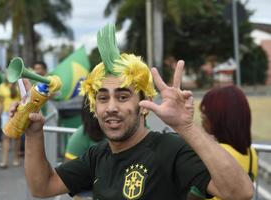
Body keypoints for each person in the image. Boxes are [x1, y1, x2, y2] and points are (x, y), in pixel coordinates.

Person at [13, 24, 253, 199]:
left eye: (123, 96)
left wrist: (187, 127)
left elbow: (240, 192)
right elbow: (41, 187)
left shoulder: (170, 149)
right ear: (94, 107)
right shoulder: (97, 156)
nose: (111, 108)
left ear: (145, 103)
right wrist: (34, 133)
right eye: (103, 98)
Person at [190, 85, 257, 200]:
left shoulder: (214, 155)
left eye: (206, 111)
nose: (202, 116)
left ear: (219, 117)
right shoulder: (251, 152)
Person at [65, 96, 105, 160]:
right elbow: (68, 168)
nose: (112, 108)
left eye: (122, 97)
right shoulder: (80, 138)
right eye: (103, 99)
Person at [0, 79, 21, 168]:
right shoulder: (2, 86)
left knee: (16, 137)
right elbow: (1, 102)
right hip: (5, 113)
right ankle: (4, 160)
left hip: (17, 113)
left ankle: (16, 158)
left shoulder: (19, 85)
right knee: (5, 136)